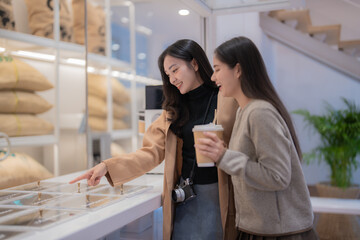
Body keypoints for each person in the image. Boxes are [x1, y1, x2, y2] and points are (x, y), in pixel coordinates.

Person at [69, 39, 239, 240]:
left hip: (221, 195)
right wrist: (107, 167)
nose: (172, 79)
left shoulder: (227, 100)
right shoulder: (172, 112)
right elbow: (150, 152)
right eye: (168, 75)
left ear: (194, 64)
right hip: (185, 198)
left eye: (175, 70)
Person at [195, 36, 318, 240]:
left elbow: (277, 176)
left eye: (217, 69)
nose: (213, 77)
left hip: (280, 233)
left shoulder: (260, 112)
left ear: (238, 69)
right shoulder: (245, 111)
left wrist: (224, 157)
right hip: (260, 228)